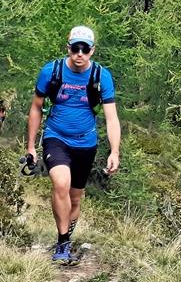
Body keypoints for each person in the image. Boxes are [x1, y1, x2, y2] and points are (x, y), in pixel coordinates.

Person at [26, 25, 120, 264]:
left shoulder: (102, 76)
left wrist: (114, 151)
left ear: (92, 50)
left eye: (85, 49)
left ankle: (67, 234)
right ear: (68, 48)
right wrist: (30, 146)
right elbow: (36, 108)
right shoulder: (51, 72)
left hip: (86, 143)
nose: (80, 54)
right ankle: (62, 243)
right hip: (56, 137)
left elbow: (111, 117)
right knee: (61, 184)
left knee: (75, 198)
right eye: (75, 48)